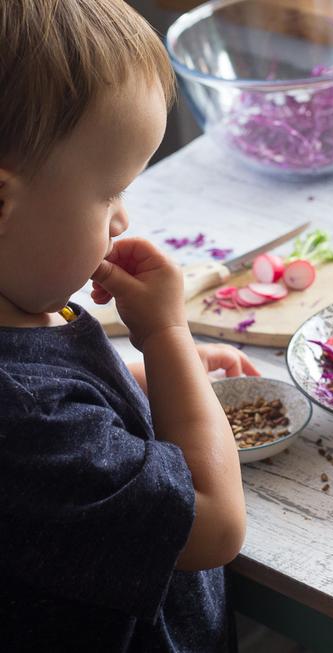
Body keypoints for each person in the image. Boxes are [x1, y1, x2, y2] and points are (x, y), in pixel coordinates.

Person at [0, 1, 261, 651]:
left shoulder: (24, 306)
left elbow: (56, 383)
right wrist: (167, 336)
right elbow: (214, 524)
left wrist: (142, 378)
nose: (122, 219)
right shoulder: (22, 418)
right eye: (109, 191)